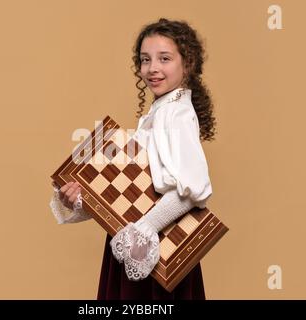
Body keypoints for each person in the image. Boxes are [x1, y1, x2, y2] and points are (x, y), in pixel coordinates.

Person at [50, 17, 216, 300]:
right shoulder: (159, 112)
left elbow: (194, 189)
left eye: (164, 58)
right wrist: (80, 200)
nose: (153, 68)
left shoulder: (175, 114)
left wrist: (145, 229)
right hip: (139, 241)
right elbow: (130, 192)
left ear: (187, 64)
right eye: (145, 59)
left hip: (159, 245)